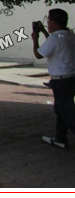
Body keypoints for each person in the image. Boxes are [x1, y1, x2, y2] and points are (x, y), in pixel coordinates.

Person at [32, 9, 75, 149]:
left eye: (49, 20)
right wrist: (44, 32)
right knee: (61, 109)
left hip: (61, 81)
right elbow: (52, 44)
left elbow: (38, 54)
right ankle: (60, 138)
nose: (48, 23)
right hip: (70, 78)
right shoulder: (69, 35)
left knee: (67, 112)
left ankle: (62, 137)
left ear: (55, 22)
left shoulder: (55, 38)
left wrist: (35, 39)